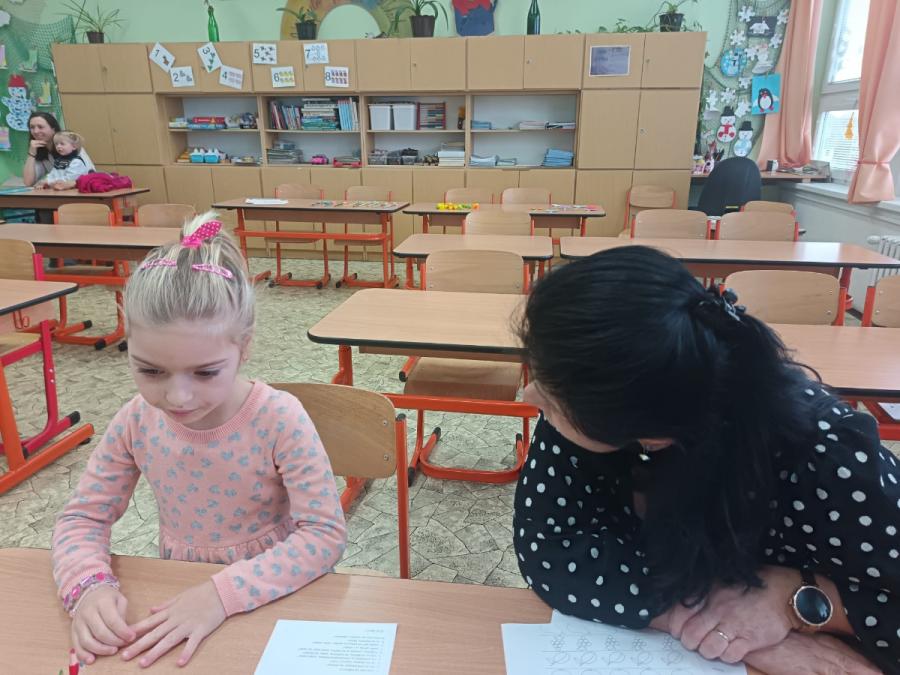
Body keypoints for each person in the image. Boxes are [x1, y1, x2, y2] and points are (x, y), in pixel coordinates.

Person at [513, 246, 896, 674]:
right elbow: (550, 548)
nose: (530, 397)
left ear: (654, 437)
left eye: (551, 398)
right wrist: (711, 624)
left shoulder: (828, 458)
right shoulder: (590, 399)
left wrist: (800, 600)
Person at [51, 212, 347, 668]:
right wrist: (88, 586)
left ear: (244, 348)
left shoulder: (279, 418)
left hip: (275, 597)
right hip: (177, 596)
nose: (177, 397)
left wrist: (221, 595)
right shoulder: (136, 420)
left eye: (205, 373)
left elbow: (324, 536)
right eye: (151, 370)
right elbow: (82, 518)